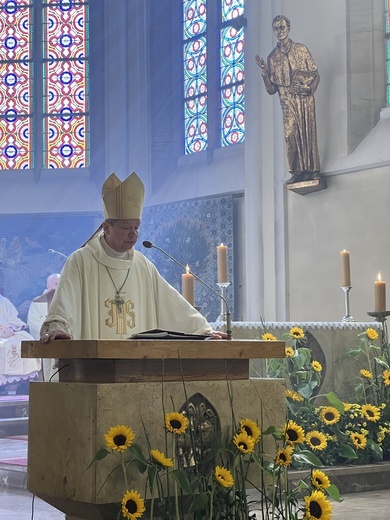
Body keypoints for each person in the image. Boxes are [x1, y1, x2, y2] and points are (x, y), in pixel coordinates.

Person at [40, 172, 226, 343]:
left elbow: (172, 304)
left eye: (136, 227)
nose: (133, 234)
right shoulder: (81, 261)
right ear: (106, 227)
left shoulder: (142, 265)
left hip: (138, 365)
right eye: (126, 228)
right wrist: (57, 327)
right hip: (93, 366)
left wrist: (202, 331)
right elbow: (64, 304)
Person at [256, 15, 321, 184]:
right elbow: (271, 90)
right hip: (286, 102)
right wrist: (264, 72)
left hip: (304, 99)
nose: (280, 31)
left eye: (282, 27)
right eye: (276, 28)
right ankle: (297, 171)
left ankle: (312, 170)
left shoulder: (301, 49)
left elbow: (315, 75)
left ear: (288, 27)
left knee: (308, 133)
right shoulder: (272, 58)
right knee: (290, 134)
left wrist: (309, 88)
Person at [0, 294, 41, 394]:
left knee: (23, 342)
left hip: (7, 333)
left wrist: (10, 328)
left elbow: (14, 319)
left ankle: (13, 393)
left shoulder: (3, 301)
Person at [27, 273, 60, 381]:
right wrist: (48, 332)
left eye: (60, 283)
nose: (58, 286)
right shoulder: (37, 301)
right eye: (55, 283)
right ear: (48, 285)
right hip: (45, 338)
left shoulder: (65, 300)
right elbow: (33, 323)